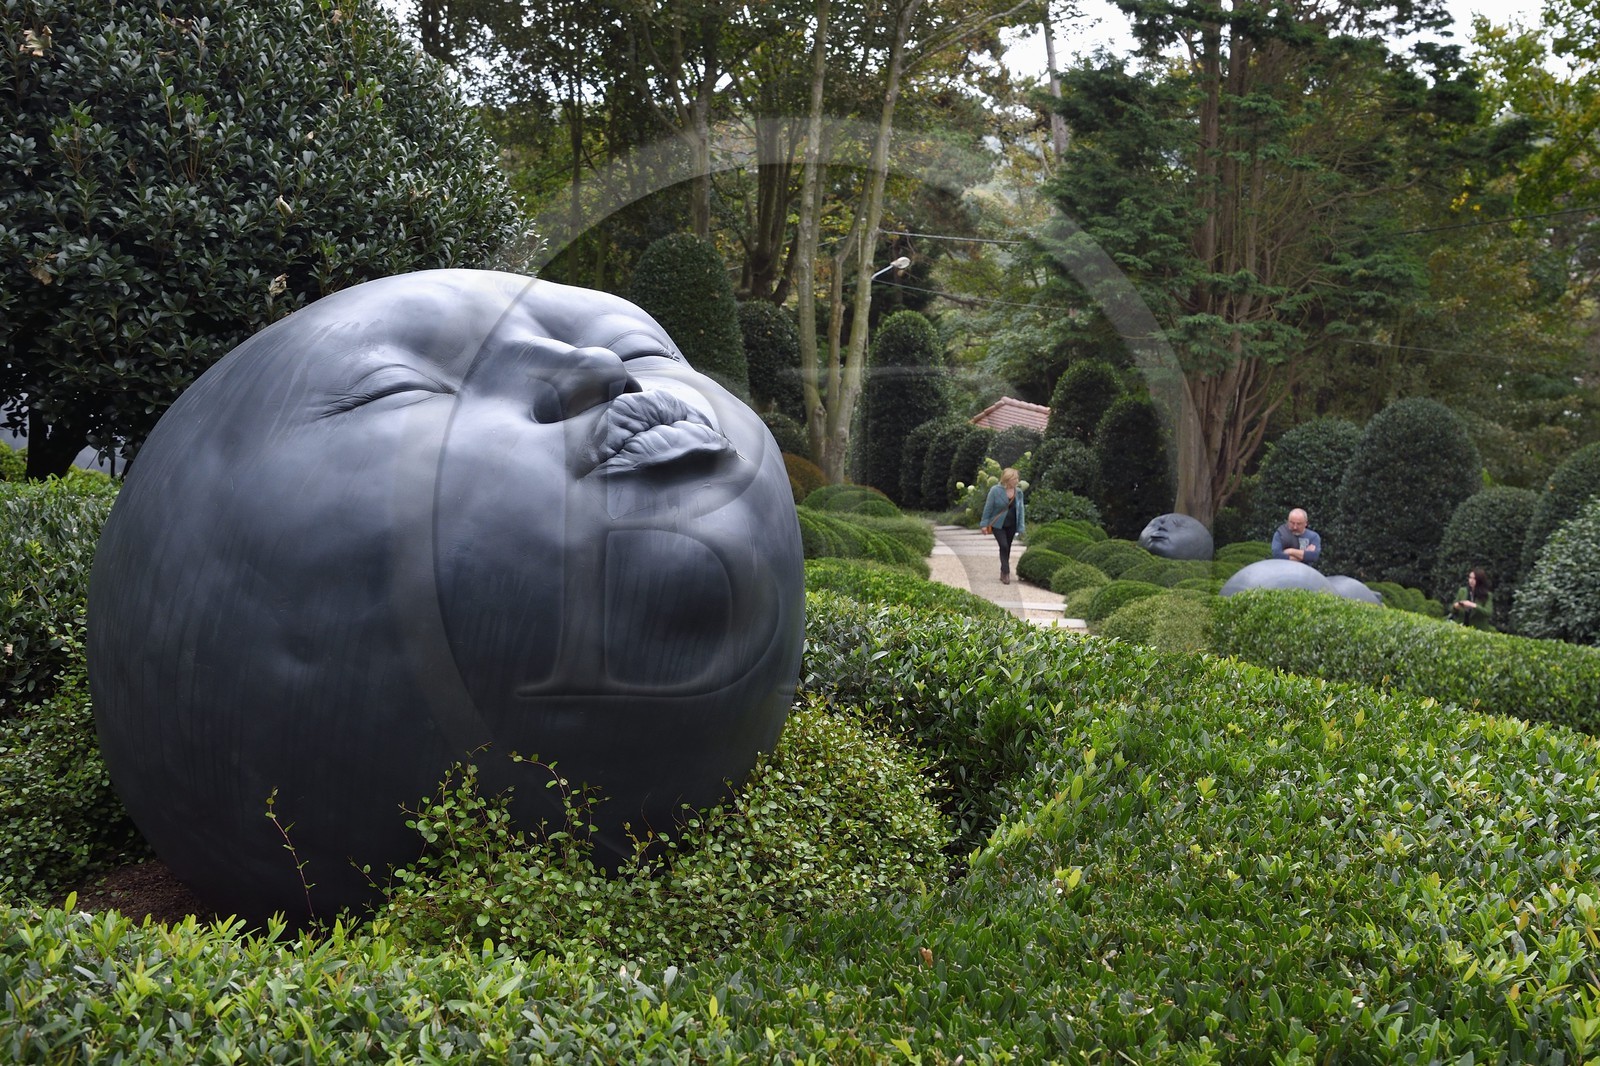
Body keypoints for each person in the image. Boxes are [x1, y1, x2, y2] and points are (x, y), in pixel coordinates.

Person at [979, 467, 1025, 584]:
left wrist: (1021, 526)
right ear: (1008, 479)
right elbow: (988, 507)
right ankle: (1006, 572)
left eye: (1017, 478)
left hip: (1012, 524)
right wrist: (984, 524)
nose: (1017, 481)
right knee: (1003, 546)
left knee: (1007, 547)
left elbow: (1021, 510)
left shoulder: (1018, 492)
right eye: (1014, 478)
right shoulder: (995, 490)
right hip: (998, 525)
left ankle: (1002, 571)